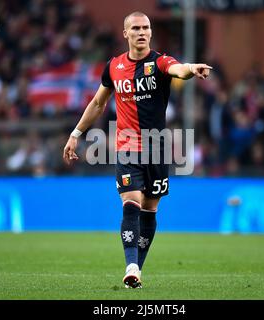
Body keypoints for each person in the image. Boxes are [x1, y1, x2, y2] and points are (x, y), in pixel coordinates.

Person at [63, 11, 212, 288]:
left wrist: (191, 68)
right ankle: (130, 265)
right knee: (130, 203)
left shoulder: (160, 62)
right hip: (127, 146)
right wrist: (76, 134)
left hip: (157, 149)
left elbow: (178, 69)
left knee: (150, 211)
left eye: (146, 28)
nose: (142, 32)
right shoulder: (114, 67)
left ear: (151, 32)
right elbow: (97, 103)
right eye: (136, 28)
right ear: (125, 34)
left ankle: (137, 270)